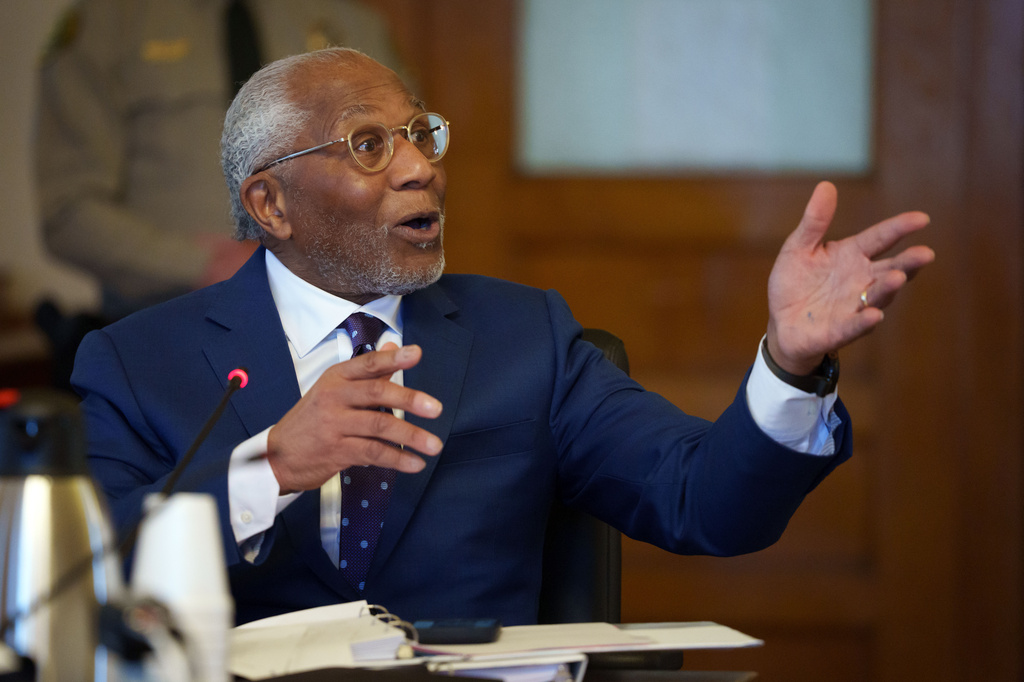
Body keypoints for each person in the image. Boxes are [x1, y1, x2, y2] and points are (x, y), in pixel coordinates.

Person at [72, 48, 935, 627]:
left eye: (419, 135)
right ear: (270, 204)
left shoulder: (528, 338)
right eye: (369, 145)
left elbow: (705, 501)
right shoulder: (136, 363)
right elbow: (82, 580)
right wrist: (272, 467)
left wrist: (791, 362)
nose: (420, 168)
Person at [35, 0, 409, 321]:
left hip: (341, 323)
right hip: (174, 332)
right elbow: (67, 211)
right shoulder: (108, 23)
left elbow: (405, 171)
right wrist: (198, 264)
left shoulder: (345, 20)